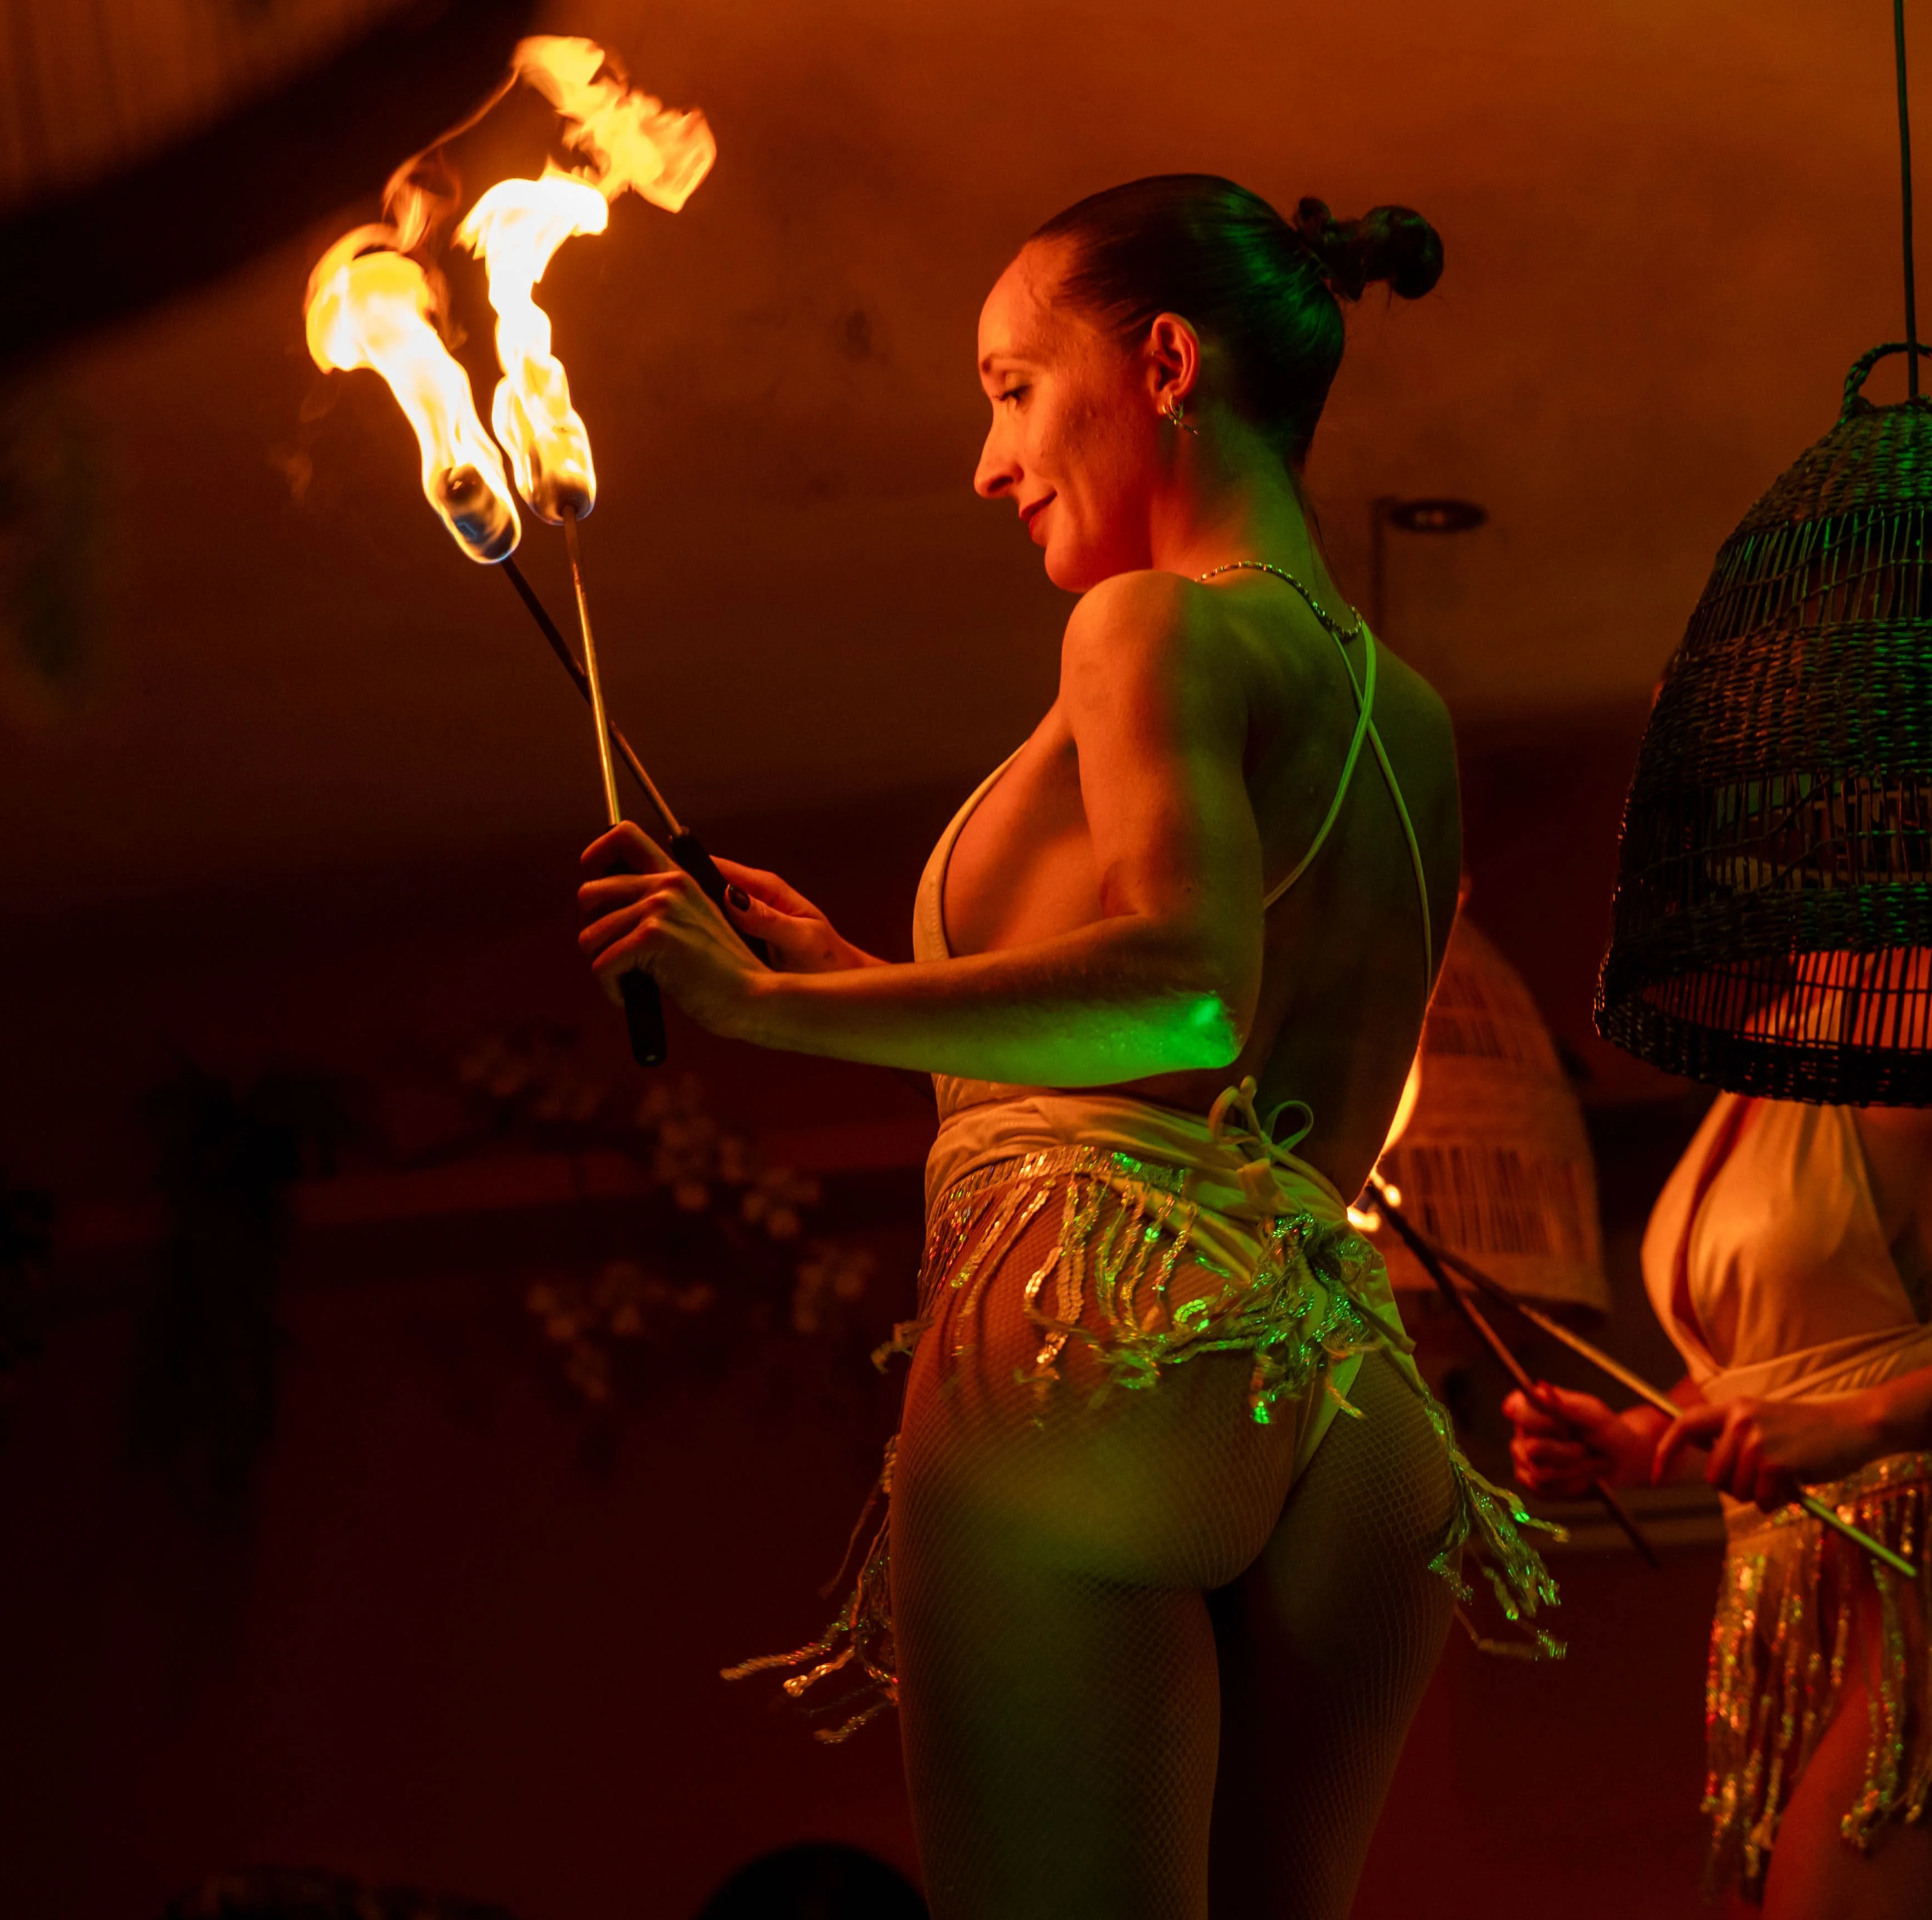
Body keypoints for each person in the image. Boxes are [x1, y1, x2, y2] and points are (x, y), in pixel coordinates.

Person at [576, 176, 1557, 1920]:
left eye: (1010, 387)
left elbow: (1183, 994)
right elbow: (1199, 1051)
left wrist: (778, 1012)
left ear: (1164, 361)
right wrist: (865, 966)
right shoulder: (1401, 710)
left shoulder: (1145, 619)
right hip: (1342, 1387)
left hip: (1106, 1353)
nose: (987, 460)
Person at [1504, 1080, 1932, 1919]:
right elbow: (1792, 1359)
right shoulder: (1762, 1050)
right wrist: (1642, 1439)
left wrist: (1857, 1422)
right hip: (1782, 1626)